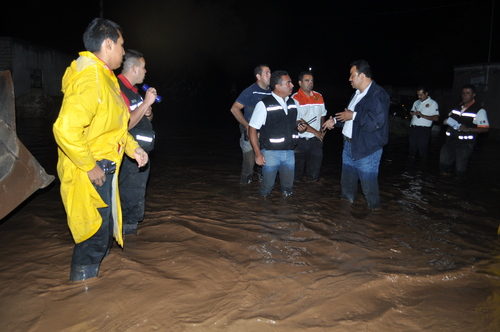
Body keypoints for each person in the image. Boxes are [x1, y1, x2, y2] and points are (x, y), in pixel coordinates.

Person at [53, 18, 149, 281]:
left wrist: (133, 148)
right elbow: (65, 129)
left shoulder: (105, 79)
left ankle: (95, 292)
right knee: (92, 236)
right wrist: (90, 166)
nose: (122, 50)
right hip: (90, 172)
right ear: (108, 44)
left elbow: (113, 126)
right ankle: (82, 291)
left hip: (103, 169)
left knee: (103, 232)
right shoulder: (91, 79)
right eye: (120, 44)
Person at [322, 60, 389, 210]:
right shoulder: (356, 94)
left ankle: (374, 221)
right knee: (347, 186)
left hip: (367, 150)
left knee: (369, 189)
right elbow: (350, 118)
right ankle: (346, 221)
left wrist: (353, 116)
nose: (349, 79)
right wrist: (336, 122)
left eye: (352, 75)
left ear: (362, 75)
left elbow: (377, 122)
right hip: (348, 147)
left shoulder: (378, 95)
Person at [117, 50, 157, 236]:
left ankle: (132, 241)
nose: (145, 71)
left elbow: (143, 118)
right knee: (129, 193)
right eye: (143, 67)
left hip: (140, 154)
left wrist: (148, 112)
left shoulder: (134, 91)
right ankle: (130, 241)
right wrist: (145, 103)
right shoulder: (118, 88)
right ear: (134, 69)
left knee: (135, 193)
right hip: (128, 155)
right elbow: (124, 124)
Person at [249, 70, 303, 197]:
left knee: (288, 189)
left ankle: (286, 213)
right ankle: (262, 213)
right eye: (288, 83)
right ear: (278, 86)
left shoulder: (294, 103)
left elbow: (297, 121)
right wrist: (257, 153)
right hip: (270, 154)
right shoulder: (264, 104)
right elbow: (252, 129)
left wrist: (301, 126)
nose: (292, 85)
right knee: (267, 189)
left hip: (290, 153)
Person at [230, 65, 272, 184]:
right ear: (258, 76)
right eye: (267, 73)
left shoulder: (272, 91)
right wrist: (249, 127)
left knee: (266, 164)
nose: (270, 76)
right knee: (249, 163)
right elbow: (234, 109)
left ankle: (262, 194)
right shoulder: (250, 91)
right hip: (250, 133)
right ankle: (243, 194)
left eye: (270, 73)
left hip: (267, 134)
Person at [439, 84, 489, 178]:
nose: (464, 95)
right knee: (443, 165)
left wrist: (468, 129)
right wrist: (446, 121)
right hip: (450, 141)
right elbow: (449, 117)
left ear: (473, 95)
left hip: (465, 144)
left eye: (468, 93)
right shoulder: (456, 107)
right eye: (463, 93)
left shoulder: (479, 110)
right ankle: (443, 188)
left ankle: (457, 189)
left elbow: (485, 128)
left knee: (460, 169)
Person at [292, 71, 327, 182]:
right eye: (307, 80)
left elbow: (322, 115)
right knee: (296, 176)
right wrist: (316, 132)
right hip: (300, 142)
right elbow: (298, 119)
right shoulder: (294, 98)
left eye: (312, 80)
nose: (310, 83)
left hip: (316, 142)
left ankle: (312, 197)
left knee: (314, 176)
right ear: (300, 82)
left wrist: (322, 131)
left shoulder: (319, 96)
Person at [408, 86, 439, 159]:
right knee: (411, 148)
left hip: (423, 130)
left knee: (422, 148)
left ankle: (422, 166)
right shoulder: (416, 102)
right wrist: (411, 114)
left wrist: (422, 115)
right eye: (418, 95)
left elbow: (436, 118)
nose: (419, 97)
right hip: (413, 128)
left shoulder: (433, 103)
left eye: (421, 95)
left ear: (426, 94)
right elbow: (412, 112)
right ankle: (410, 166)